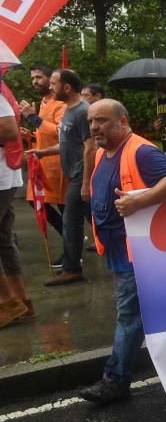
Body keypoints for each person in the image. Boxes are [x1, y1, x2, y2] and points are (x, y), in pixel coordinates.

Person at [78, 99, 166, 404]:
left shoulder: (141, 151)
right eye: (91, 121)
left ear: (122, 121)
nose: (94, 127)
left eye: (101, 120)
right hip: (119, 251)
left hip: (138, 255)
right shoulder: (103, 153)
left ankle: (115, 379)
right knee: (148, 313)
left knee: (129, 316)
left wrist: (139, 202)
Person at [27, 69, 93, 286]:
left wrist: (85, 181)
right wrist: (43, 152)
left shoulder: (83, 111)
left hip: (79, 175)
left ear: (66, 87)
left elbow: (90, 147)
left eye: (54, 83)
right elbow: (66, 142)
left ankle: (72, 269)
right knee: (87, 217)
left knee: (71, 220)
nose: (51, 87)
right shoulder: (69, 111)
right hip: (72, 173)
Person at [18, 63, 67, 244]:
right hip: (43, 165)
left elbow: (62, 134)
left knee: (64, 208)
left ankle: (72, 246)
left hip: (59, 167)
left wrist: (33, 119)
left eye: (39, 77)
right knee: (36, 202)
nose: (34, 82)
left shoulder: (61, 104)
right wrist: (30, 135)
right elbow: (45, 133)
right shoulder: (43, 103)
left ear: (50, 79)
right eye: (32, 78)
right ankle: (70, 238)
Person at [0, 76, 30, 328]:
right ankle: (21, 301)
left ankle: (7, 303)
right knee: (4, 239)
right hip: (5, 175)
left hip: (1, 176)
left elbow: (9, 130)